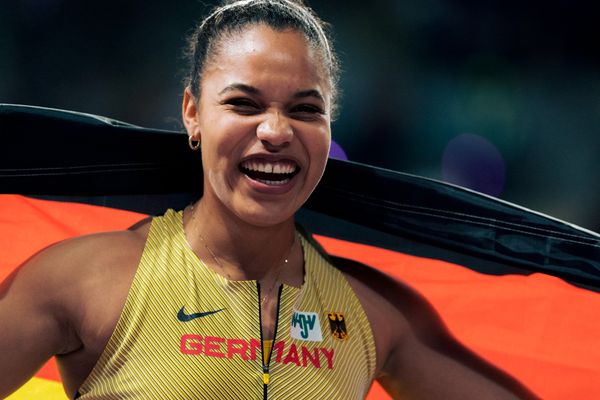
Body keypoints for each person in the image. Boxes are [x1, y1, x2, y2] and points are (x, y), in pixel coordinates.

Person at [0, 0, 538, 398]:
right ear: (193, 113)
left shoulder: (376, 312)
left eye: (306, 110)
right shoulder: (81, 282)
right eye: (244, 103)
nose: (276, 131)